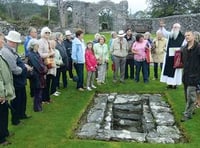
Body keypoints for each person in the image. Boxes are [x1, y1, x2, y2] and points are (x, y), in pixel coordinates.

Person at [1, 31, 32, 125]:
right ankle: (15, 119)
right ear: (11, 41)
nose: (17, 44)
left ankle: (22, 114)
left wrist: (23, 66)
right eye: (16, 42)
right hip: (16, 79)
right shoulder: (6, 52)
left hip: (20, 80)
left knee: (22, 98)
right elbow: (14, 69)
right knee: (17, 100)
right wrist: (23, 68)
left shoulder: (11, 50)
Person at [158, 21, 185, 89]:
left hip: (177, 57)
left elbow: (184, 46)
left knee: (176, 72)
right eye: (173, 27)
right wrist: (162, 26)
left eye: (176, 27)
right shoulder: (170, 35)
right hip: (169, 57)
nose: (174, 28)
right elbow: (164, 32)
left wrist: (179, 50)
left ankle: (175, 84)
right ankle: (169, 84)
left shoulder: (182, 37)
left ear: (179, 28)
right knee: (168, 70)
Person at [181, 31, 200, 122]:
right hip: (185, 75)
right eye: (185, 36)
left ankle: (187, 114)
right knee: (186, 95)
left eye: (188, 35)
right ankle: (190, 110)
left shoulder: (198, 48)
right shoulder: (184, 49)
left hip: (194, 76)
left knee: (191, 95)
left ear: (193, 36)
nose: (187, 37)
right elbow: (183, 62)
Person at [0, 32, 15, 146]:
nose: (4, 42)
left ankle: (5, 132)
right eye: (2, 40)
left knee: (4, 114)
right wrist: (1, 93)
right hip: (1, 93)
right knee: (1, 115)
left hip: (4, 90)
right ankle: (1, 138)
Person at [27, 39, 48, 112]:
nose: (38, 46)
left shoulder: (36, 53)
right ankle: (37, 108)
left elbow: (41, 63)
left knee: (39, 91)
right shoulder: (31, 54)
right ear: (33, 46)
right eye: (36, 45)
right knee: (37, 92)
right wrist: (45, 70)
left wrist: (44, 68)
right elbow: (38, 66)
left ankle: (39, 106)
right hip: (36, 76)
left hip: (39, 76)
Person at [38, 27, 55, 103]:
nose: (47, 34)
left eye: (48, 33)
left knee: (48, 80)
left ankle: (47, 98)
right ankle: (44, 98)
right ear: (42, 33)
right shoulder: (41, 42)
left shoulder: (47, 41)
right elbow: (39, 54)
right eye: (46, 32)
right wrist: (49, 54)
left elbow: (50, 50)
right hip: (44, 63)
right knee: (44, 82)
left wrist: (52, 52)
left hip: (49, 62)